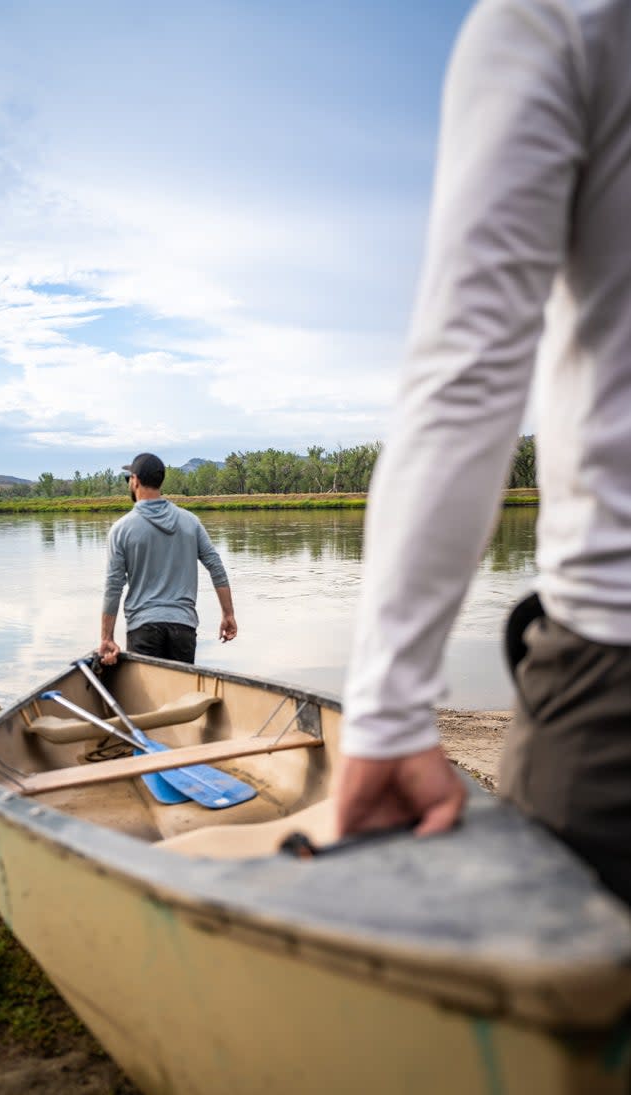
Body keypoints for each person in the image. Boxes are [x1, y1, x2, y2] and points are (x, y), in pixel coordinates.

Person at [335, 0, 631, 906]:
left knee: (579, 1028)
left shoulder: (558, 17)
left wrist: (387, 711)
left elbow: (467, 378)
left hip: (616, 658)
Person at [99, 452, 237, 666]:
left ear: (135, 481)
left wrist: (106, 638)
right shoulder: (191, 522)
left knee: (147, 699)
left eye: (129, 479)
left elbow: (113, 586)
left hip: (143, 628)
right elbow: (216, 567)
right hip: (183, 628)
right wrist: (228, 615)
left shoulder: (121, 529)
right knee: (182, 698)